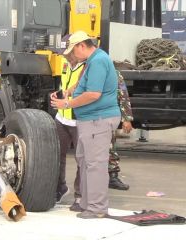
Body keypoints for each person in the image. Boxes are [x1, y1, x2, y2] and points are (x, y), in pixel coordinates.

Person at [51, 31, 121, 219]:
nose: (72, 57)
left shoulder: (98, 61)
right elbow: (83, 85)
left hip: (97, 120)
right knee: (85, 161)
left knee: (95, 164)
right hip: (90, 120)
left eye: (73, 52)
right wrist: (66, 92)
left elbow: (93, 94)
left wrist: (67, 104)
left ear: (82, 46)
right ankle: (87, 203)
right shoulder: (93, 61)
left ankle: (97, 208)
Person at [54, 35, 85, 204]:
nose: (64, 56)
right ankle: (60, 187)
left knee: (82, 158)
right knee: (58, 155)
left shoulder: (86, 67)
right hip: (62, 118)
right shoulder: (65, 63)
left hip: (78, 120)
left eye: (67, 52)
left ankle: (80, 195)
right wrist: (57, 94)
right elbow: (64, 86)